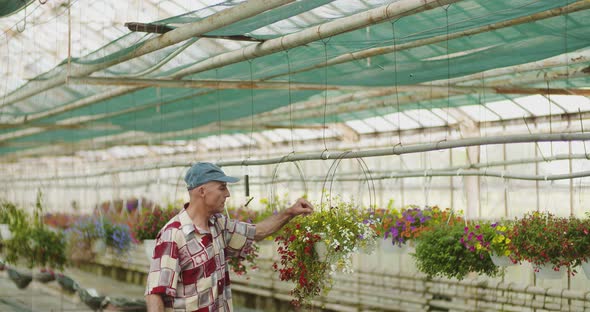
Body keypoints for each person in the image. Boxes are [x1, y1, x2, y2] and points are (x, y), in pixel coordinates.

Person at [145, 162, 313, 312]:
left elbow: (258, 232)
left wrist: (290, 212)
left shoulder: (218, 225)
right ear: (202, 191)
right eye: (222, 187)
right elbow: (155, 294)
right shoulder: (174, 235)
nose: (228, 194)